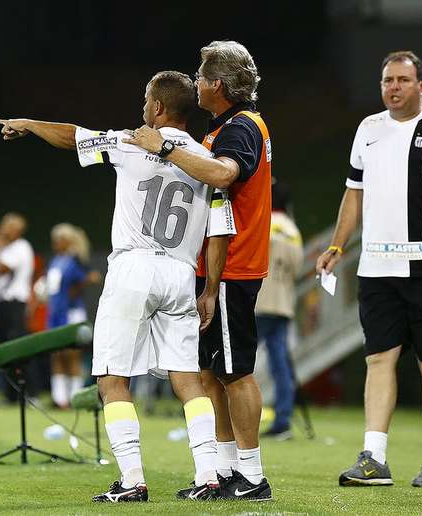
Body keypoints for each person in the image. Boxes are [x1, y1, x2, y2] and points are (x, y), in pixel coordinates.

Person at [0, 70, 235, 502]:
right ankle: (209, 476)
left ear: (158, 107)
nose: (142, 107)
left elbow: (73, 137)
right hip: (180, 273)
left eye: (146, 99)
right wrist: (210, 289)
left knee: (111, 377)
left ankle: (132, 481)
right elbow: (220, 232)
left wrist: (29, 124)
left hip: (133, 267)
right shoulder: (205, 160)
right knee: (188, 380)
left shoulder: (131, 142)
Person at [316, 50, 422, 488]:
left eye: (402, 80)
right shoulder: (368, 129)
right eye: (387, 80)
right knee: (379, 358)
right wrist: (337, 244)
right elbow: (353, 192)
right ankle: (374, 457)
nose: (393, 87)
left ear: (421, 86)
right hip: (377, 266)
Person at [124, 40, 273, 500]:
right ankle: (226, 469)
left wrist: (165, 148)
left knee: (235, 372)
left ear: (219, 85)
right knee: (210, 372)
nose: (196, 83)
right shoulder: (228, 125)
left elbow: (225, 175)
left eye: (202, 76)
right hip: (215, 268)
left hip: (233, 267)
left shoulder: (241, 127)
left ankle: (252, 475)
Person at [255, 181, 303, 440]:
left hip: (258, 301)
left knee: (237, 362)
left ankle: (225, 415)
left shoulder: (263, 221)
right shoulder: (293, 230)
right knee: (280, 365)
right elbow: (297, 269)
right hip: (282, 304)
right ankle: (283, 420)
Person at [44, 223, 100, 409]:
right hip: (55, 313)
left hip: (71, 312)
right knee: (56, 355)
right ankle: (59, 398)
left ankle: (75, 397)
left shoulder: (74, 261)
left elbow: (89, 277)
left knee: (72, 355)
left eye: (59, 240)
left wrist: (78, 287)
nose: (55, 243)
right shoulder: (55, 261)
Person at [0, 212, 36, 401]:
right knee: (5, 348)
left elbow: (3, 268)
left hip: (16, 302)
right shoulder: (8, 248)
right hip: (4, 302)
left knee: (18, 347)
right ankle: (10, 393)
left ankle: (29, 391)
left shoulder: (20, 247)